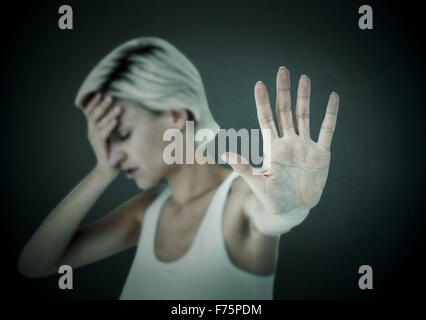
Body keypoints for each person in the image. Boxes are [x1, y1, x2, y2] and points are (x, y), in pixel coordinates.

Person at [17, 37, 339, 299]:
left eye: (122, 135)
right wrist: (102, 170)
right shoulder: (146, 211)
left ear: (175, 116)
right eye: (105, 143)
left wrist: (291, 211)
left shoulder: (241, 197)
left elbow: (269, 215)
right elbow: (37, 263)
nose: (114, 154)